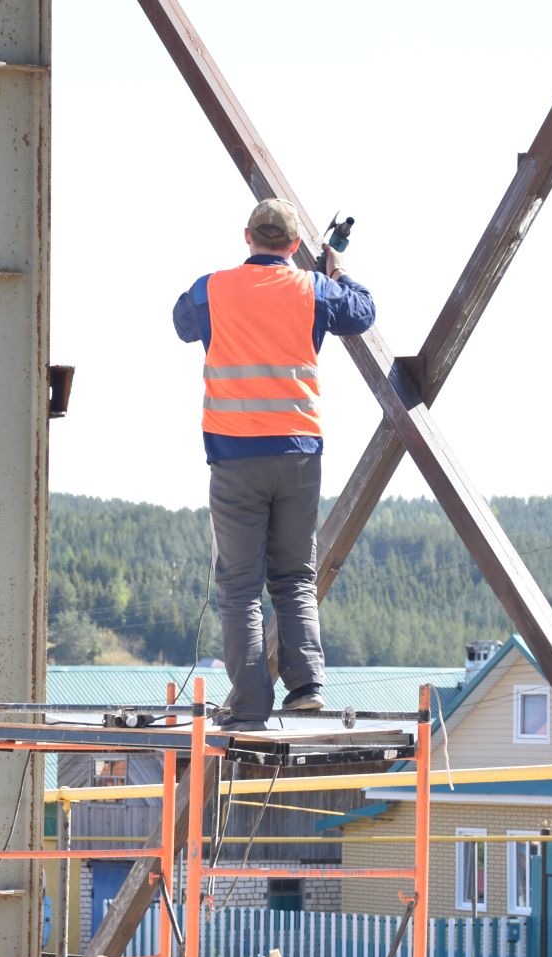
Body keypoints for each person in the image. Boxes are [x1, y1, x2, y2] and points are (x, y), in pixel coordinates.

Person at [172, 198, 377, 730]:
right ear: (292, 245)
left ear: (247, 237)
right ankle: (306, 685)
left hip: (235, 457)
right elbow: (363, 310)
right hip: (298, 454)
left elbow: (180, 321)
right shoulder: (313, 291)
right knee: (294, 577)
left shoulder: (212, 289)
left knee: (240, 587)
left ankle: (250, 705)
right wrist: (335, 267)